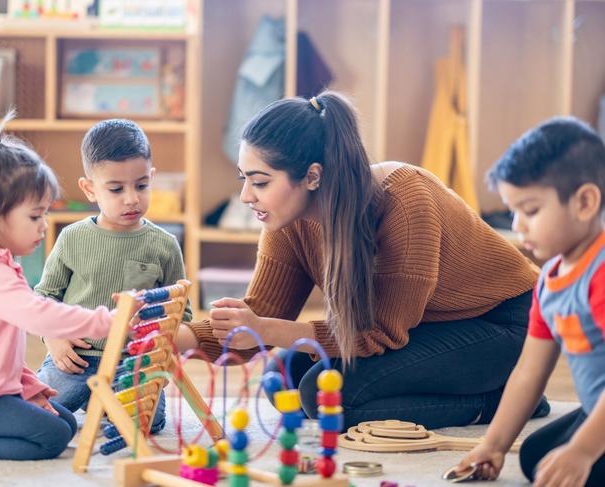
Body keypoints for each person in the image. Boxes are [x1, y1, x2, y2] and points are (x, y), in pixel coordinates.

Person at [173, 91, 547, 429]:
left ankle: (502, 401)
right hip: (426, 324)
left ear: (312, 176)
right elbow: (259, 316)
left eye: (260, 182)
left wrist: (266, 329)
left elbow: (379, 333)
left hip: (506, 324)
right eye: (244, 179)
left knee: (331, 400)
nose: (245, 196)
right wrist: (179, 338)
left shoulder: (405, 203)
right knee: (284, 379)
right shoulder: (287, 221)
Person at [453, 117, 605, 487]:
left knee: (577, 464)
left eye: (531, 210)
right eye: (513, 210)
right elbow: (528, 372)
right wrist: (493, 445)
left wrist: (584, 450)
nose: (518, 226)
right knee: (540, 458)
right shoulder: (550, 279)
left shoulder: (600, 273)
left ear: (584, 202)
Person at [0, 115, 115, 460]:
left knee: (67, 423)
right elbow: (40, 317)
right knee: (53, 437)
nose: (44, 226)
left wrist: (28, 386)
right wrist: (105, 322)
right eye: (34, 217)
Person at [36, 119, 192, 435]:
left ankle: (102, 404)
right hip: (75, 359)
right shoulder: (72, 237)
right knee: (36, 415)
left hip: (132, 365)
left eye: (141, 185)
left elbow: (182, 315)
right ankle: (92, 400)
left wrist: (155, 350)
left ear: (152, 178)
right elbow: (42, 298)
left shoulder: (165, 245)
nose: (131, 198)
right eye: (116, 189)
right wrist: (54, 338)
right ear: (90, 189)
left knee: (142, 426)